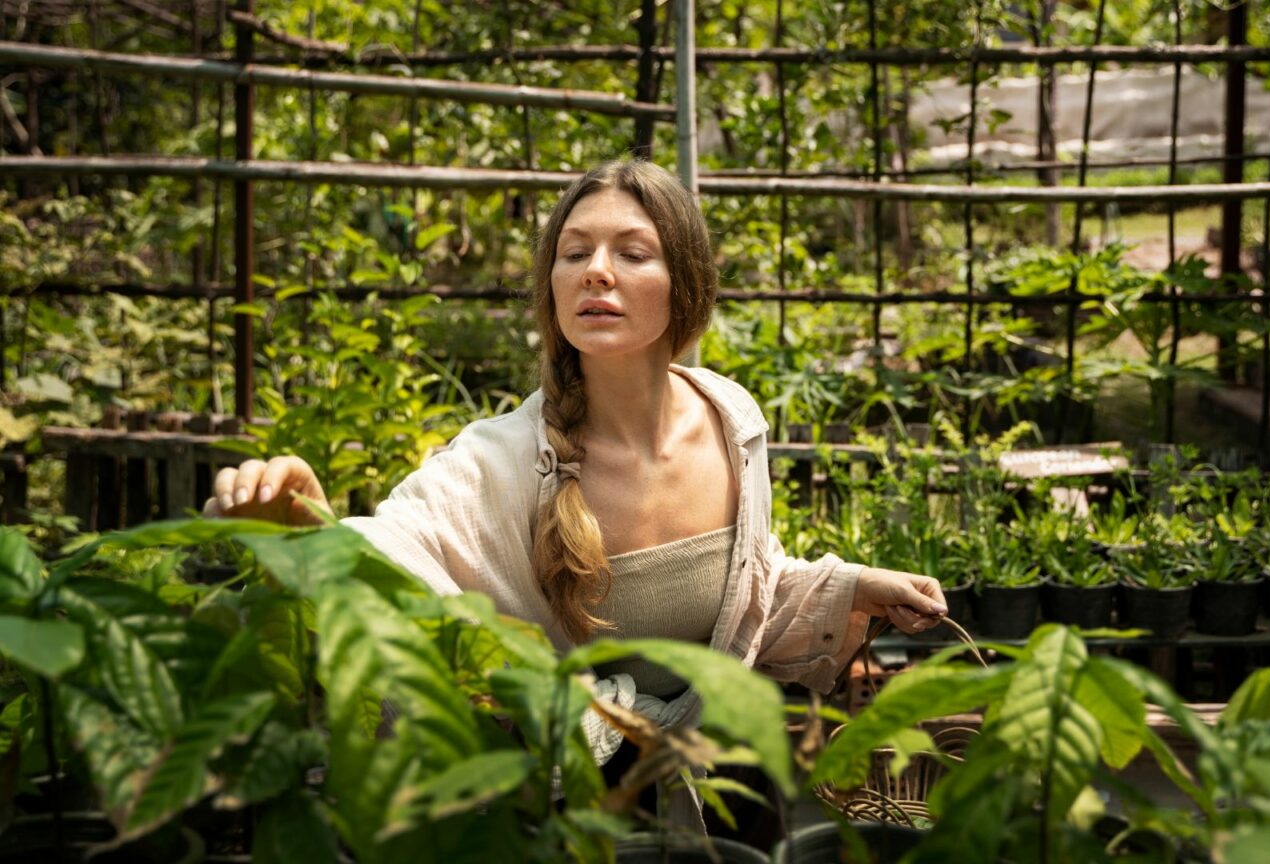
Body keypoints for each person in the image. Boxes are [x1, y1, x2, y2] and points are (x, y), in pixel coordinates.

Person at [202, 158, 948, 842]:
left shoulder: (733, 422)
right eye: (574, 252)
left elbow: (744, 599)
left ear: (684, 282)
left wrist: (851, 586)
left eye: (632, 252)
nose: (597, 272)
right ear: (551, 285)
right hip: (572, 815)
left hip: (728, 794)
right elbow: (391, 554)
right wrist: (305, 523)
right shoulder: (498, 462)